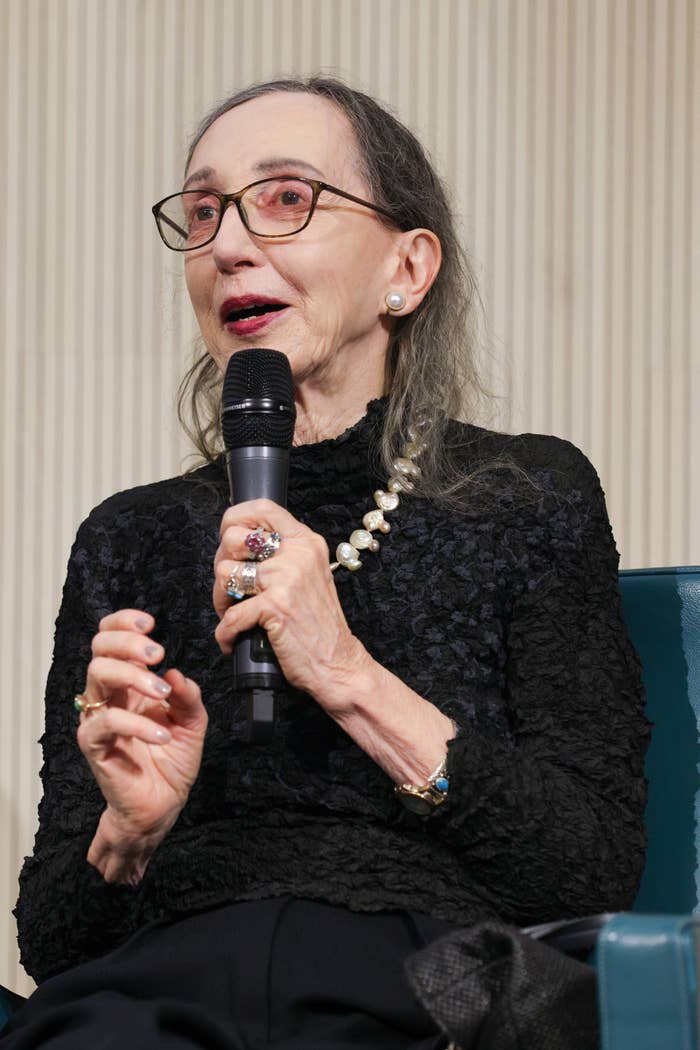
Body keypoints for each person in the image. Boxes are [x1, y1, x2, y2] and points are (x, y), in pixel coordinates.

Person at [3, 76, 648, 1049]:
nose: (226, 245)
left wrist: (345, 676)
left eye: (286, 198)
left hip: (436, 988)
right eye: (206, 208)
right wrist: (129, 834)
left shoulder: (527, 494)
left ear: (407, 266)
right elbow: (56, 944)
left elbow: (591, 872)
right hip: (164, 992)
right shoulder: (127, 535)